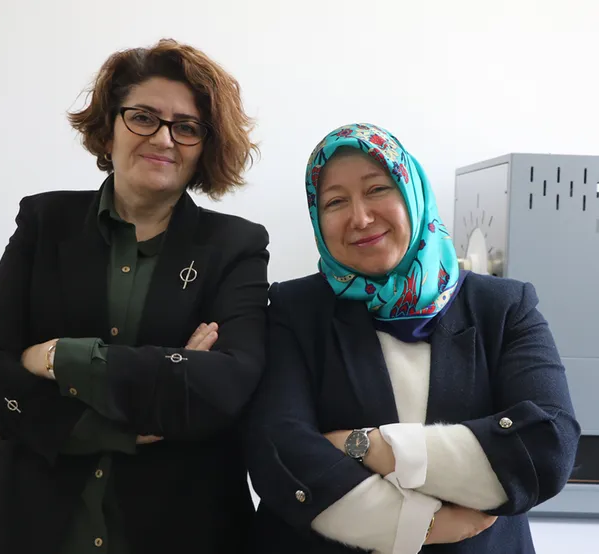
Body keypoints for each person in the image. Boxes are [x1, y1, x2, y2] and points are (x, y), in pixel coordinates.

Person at [0, 39, 269, 554]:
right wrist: (132, 410)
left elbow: (226, 386)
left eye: (187, 127)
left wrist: (59, 357)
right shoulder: (44, 223)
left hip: (180, 530)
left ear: (205, 147)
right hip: (35, 529)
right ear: (109, 128)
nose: (164, 138)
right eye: (143, 117)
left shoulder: (235, 245)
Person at [245, 123, 580, 554]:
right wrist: (424, 526)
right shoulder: (295, 308)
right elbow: (278, 452)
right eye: (335, 202)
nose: (360, 217)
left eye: (377, 189)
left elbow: (548, 447)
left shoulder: (502, 306)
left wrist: (368, 446)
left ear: (412, 192)